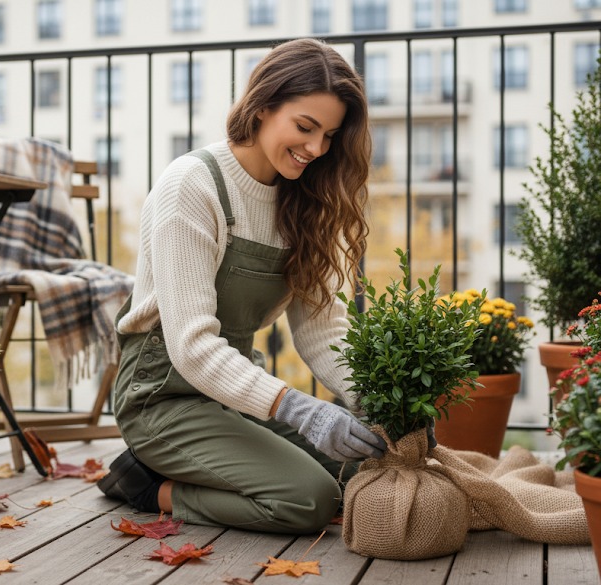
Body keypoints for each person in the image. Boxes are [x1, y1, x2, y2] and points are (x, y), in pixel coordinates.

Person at [97, 38, 389, 535]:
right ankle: (147, 485)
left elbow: (321, 331)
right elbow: (191, 347)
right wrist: (301, 410)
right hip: (162, 396)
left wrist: (376, 402)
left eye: (329, 136)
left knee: (370, 469)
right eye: (305, 127)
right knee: (308, 499)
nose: (317, 149)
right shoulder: (192, 185)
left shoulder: (305, 200)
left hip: (236, 391)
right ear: (261, 107)